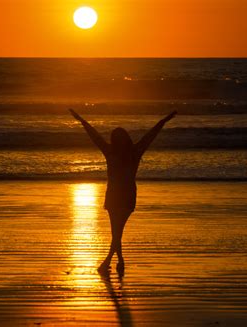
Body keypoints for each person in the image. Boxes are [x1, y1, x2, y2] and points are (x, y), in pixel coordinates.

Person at [69, 108, 177, 275]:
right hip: (113, 195)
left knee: (117, 231)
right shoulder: (110, 151)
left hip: (126, 196)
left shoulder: (135, 152)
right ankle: (119, 261)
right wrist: (82, 121)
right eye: (115, 138)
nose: (117, 141)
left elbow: (150, 135)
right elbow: (95, 136)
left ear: (125, 139)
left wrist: (164, 121)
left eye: (120, 138)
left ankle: (108, 262)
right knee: (116, 231)